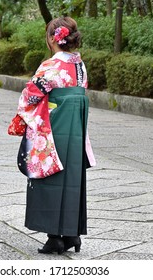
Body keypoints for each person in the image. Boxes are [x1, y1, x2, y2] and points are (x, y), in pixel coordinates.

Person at [9, 16, 96, 254]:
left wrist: (23, 114)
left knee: (50, 175)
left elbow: (30, 96)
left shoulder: (50, 65)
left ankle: (54, 237)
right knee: (71, 178)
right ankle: (71, 234)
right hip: (75, 127)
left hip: (53, 126)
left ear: (52, 39)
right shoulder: (80, 66)